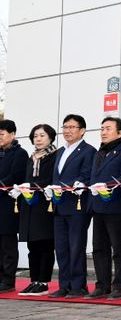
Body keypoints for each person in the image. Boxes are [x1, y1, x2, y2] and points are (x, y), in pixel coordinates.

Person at [85, 117, 121, 300]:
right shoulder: (99, 153)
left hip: (115, 206)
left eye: (108, 128)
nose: (103, 132)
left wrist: (106, 186)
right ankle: (102, 285)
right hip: (97, 206)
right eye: (102, 128)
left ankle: (119, 286)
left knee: (118, 249)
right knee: (99, 248)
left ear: (120, 133)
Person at [49, 114, 96, 298]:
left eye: (72, 127)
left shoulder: (88, 151)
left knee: (76, 246)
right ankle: (64, 285)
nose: (67, 131)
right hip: (59, 205)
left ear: (82, 130)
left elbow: (86, 176)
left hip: (77, 206)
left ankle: (78, 286)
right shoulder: (60, 151)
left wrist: (67, 186)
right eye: (65, 127)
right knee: (61, 247)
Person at [17, 124, 58, 296]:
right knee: (32, 246)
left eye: (42, 135)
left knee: (45, 244)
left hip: (45, 205)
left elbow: (51, 179)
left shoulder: (55, 156)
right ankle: (34, 280)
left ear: (50, 137)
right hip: (30, 204)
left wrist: (32, 185)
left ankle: (43, 282)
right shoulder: (31, 157)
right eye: (35, 136)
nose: (38, 139)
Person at [0, 120, 29, 293]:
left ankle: (8, 280)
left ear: (12, 134)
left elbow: (16, 175)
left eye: (2, 134)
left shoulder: (20, 153)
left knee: (8, 244)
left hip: (9, 204)